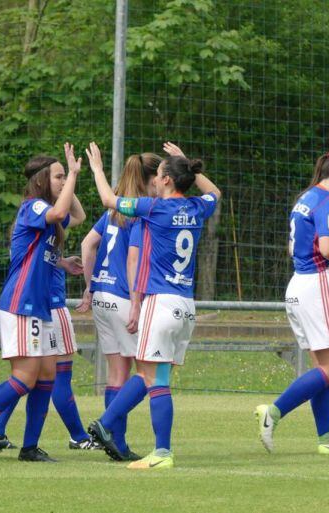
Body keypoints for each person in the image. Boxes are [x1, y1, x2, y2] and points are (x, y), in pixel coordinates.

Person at [86, 141, 221, 470]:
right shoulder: (195, 208)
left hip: (159, 303)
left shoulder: (154, 208)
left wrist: (97, 170)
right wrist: (186, 163)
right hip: (185, 306)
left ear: (167, 181)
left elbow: (108, 200)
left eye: (161, 174)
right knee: (151, 375)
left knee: (154, 379)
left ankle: (161, 451)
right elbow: (215, 193)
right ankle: (106, 424)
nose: (157, 179)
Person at [0, 143, 84, 463]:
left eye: (64, 178)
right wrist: (75, 174)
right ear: (41, 181)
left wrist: (69, 182)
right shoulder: (33, 207)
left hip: (40, 306)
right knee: (25, 377)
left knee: (47, 376)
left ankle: (29, 446)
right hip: (20, 304)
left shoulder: (51, 215)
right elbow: (60, 212)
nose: (63, 182)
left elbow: (76, 215)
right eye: (57, 177)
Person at [256, 152, 329, 455]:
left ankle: (327, 439)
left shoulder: (305, 198)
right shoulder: (327, 201)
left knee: (322, 367)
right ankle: (274, 411)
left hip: (297, 285)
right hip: (316, 286)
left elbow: (300, 244)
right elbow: (328, 248)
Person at [76, 152, 161, 460]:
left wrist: (89, 286)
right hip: (125, 298)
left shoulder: (114, 211)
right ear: (151, 180)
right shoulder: (139, 212)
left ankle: (117, 444)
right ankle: (109, 430)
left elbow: (87, 244)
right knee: (148, 373)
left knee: (116, 373)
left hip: (100, 296)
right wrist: (137, 301)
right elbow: (132, 260)